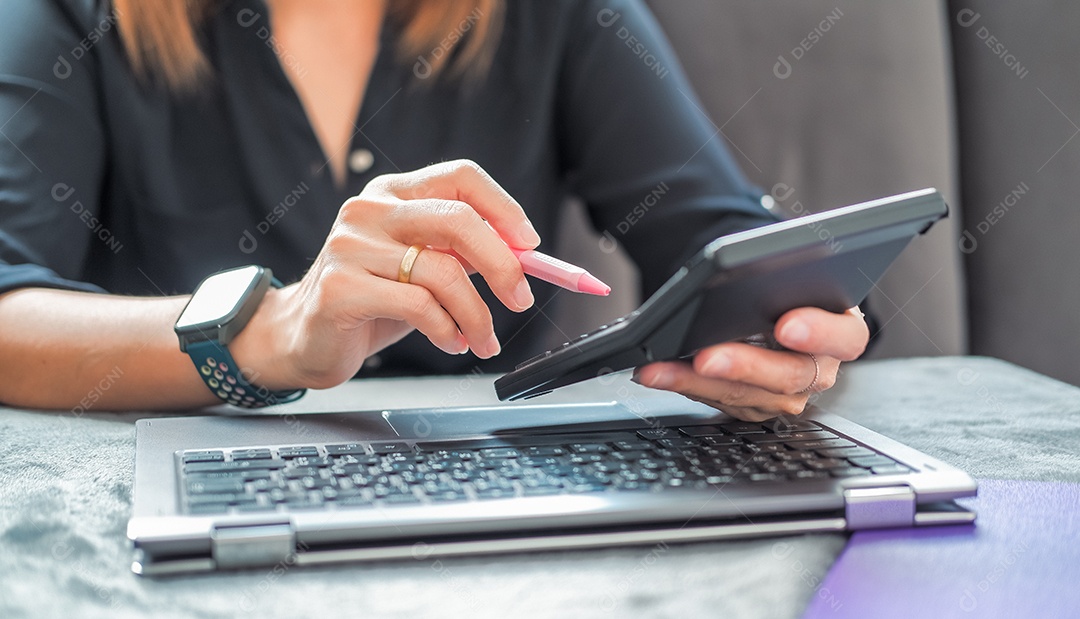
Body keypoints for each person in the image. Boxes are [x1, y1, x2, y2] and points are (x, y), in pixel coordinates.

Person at [0, 0, 868, 420]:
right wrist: (269, 331)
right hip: (182, 484)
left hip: (498, 503)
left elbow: (717, 237)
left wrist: (782, 320)